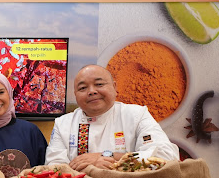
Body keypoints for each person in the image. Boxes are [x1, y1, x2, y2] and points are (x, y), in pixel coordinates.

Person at [45, 64, 179, 170]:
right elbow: (53, 167)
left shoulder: (136, 115)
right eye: (83, 88)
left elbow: (166, 156)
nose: (91, 91)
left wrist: (110, 157)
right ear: (75, 95)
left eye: (99, 84)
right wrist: (90, 168)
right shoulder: (63, 124)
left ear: (114, 87)